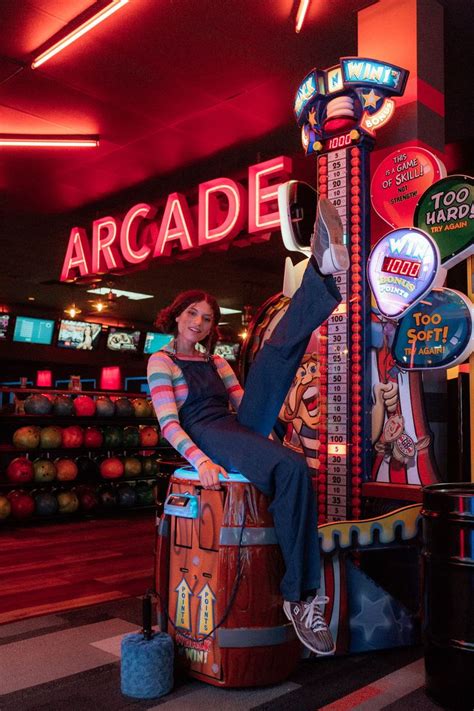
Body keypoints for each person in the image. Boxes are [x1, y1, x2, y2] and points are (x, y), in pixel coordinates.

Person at [147, 198, 349, 656]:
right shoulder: (162, 360)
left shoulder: (217, 362)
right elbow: (168, 424)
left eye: (207, 318)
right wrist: (200, 463)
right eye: (192, 314)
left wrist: (272, 435)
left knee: (275, 358)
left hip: (234, 427)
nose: (199, 323)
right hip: (204, 434)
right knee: (294, 468)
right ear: (177, 316)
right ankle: (300, 598)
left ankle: (321, 273)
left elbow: (247, 403)